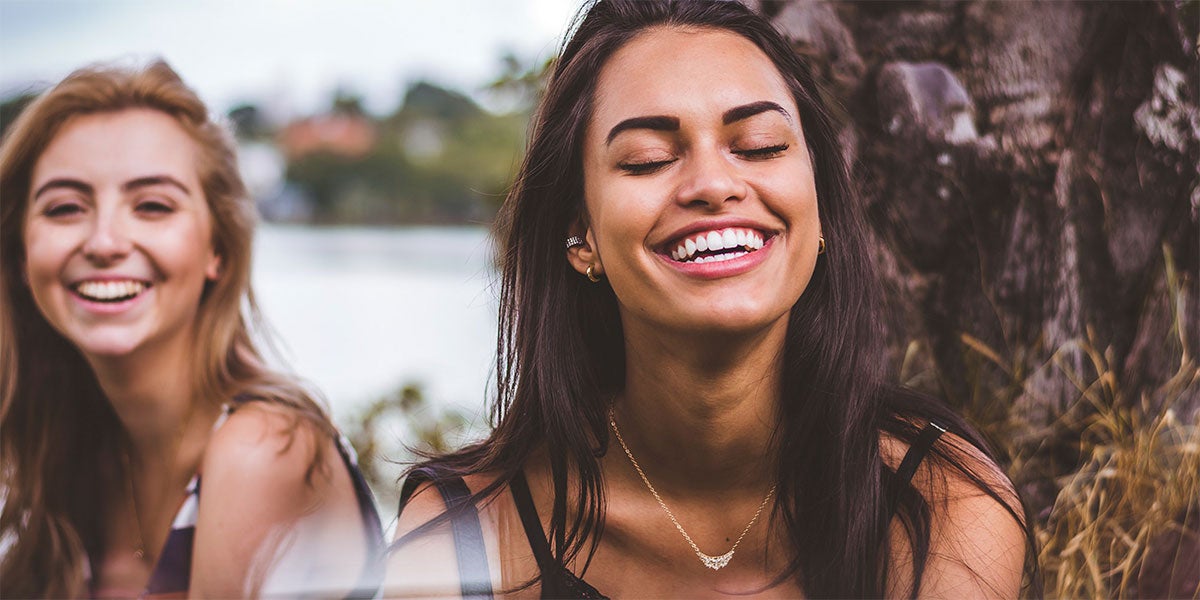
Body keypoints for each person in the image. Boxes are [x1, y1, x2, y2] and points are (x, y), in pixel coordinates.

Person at [387, 0, 1037, 597]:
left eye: (759, 146)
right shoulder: (463, 541)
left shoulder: (938, 506)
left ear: (821, 210)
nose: (713, 183)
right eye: (645, 159)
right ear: (578, 234)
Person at [0, 61, 383, 598]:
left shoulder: (262, 451)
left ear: (218, 251)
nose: (105, 242)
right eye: (65, 208)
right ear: (20, 254)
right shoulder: (60, 454)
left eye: (153, 205)